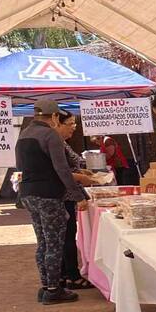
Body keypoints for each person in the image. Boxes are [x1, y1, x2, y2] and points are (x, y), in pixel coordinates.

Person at [16, 99, 91, 304]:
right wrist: (78, 196)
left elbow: (21, 166)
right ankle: (53, 289)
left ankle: (45, 285)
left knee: (42, 243)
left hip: (28, 194)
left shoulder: (24, 135)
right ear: (55, 117)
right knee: (54, 243)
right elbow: (62, 170)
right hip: (49, 195)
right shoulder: (50, 135)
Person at [57, 111, 96, 290]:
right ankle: (71, 275)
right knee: (66, 236)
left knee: (67, 236)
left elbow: (72, 165)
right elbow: (62, 173)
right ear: (57, 123)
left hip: (69, 194)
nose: (74, 127)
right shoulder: (55, 143)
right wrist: (80, 178)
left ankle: (66, 273)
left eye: (75, 123)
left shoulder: (62, 143)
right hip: (64, 196)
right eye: (70, 123)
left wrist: (82, 172)